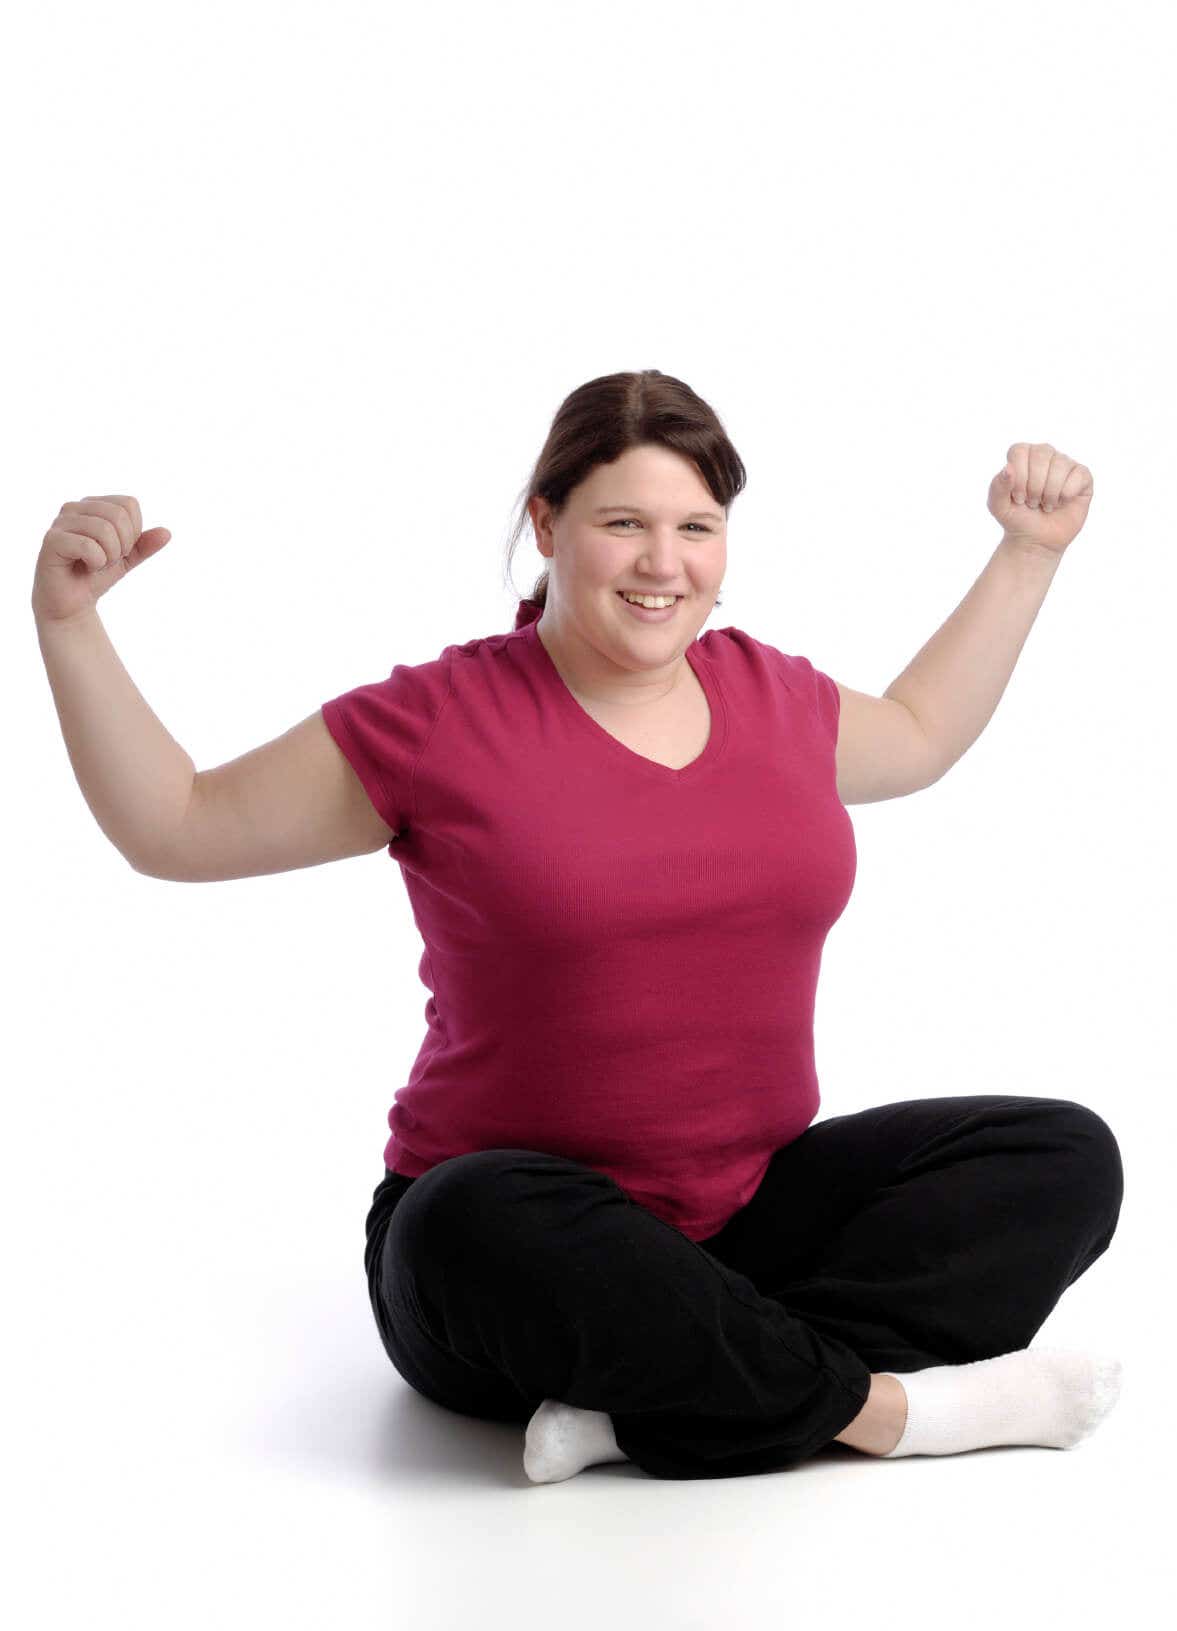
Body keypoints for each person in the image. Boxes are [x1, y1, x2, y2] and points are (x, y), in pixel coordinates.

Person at [31, 368, 1123, 1484]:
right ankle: (894, 1410)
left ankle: (642, 1409)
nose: (665, 563)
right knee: (466, 1214)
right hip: (523, 1240)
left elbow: (922, 730)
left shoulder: (772, 697)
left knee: (1057, 1155)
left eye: (697, 526)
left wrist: (1027, 551)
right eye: (624, 524)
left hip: (744, 1213)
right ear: (548, 524)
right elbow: (179, 824)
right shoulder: (438, 722)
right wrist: (68, 624)